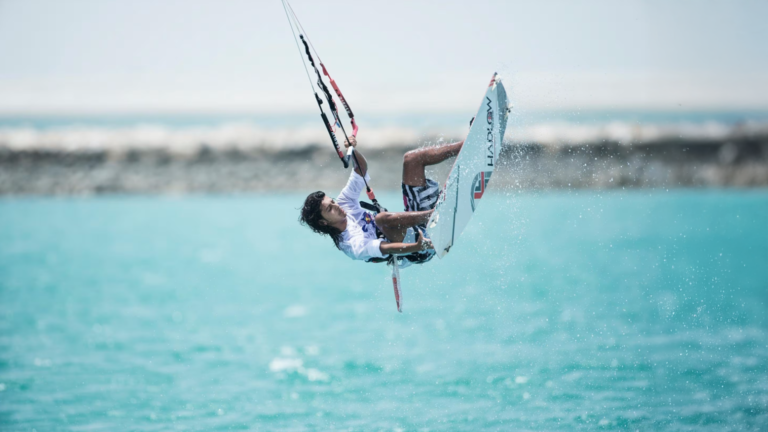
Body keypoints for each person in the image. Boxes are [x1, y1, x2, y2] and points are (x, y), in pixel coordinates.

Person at [299, 135, 463, 265]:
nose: (336, 206)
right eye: (330, 209)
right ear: (323, 223)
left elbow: (361, 169)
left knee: (412, 159)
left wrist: (352, 151)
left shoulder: (344, 204)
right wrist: (419, 246)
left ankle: (466, 145)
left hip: (417, 225)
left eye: (332, 202)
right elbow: (386, 248)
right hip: (419, 249)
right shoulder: (350, 245)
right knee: (380, 219)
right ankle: (436, 214)